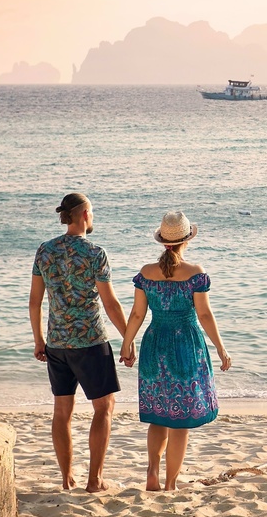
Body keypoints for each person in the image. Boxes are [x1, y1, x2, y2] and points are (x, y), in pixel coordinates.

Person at [120, 210, 232, 491]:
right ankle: (171, 483)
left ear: (162, 241)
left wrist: (126, 344)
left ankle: (152, 474)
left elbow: (136, 314)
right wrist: (221, 348)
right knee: (180, 420)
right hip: (184, 344)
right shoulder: (195, 273)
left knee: (159, 414)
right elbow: (204, 315)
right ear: (187, 240)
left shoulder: (146, 273)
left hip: (154, 342)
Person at [29, 192, 129, 492]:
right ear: (84, 214)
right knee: (104, 408)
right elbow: (111, 304)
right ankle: (95, 480)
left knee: (62, 411)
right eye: (92, 212)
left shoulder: (44, 251)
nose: (93, 217)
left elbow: (35, 302)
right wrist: (129, 338)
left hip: (57, 343)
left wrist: (39, 340)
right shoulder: (95, 253)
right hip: (90, 341)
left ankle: (66, 478)